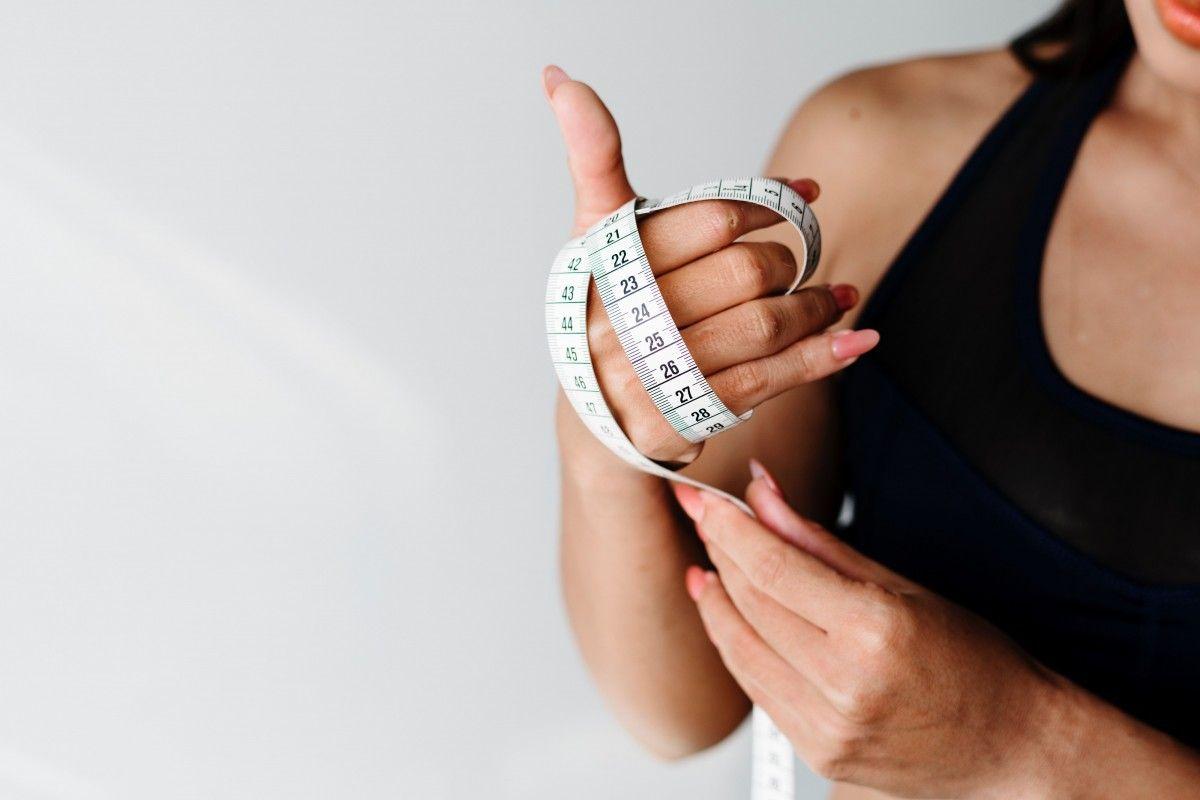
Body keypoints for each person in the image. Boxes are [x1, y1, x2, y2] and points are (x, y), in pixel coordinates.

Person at [544, 0, 1200, 796]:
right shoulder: (889, 143)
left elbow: (1012, 741)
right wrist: (604, 436)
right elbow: (682, 707)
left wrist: (1020, 739)